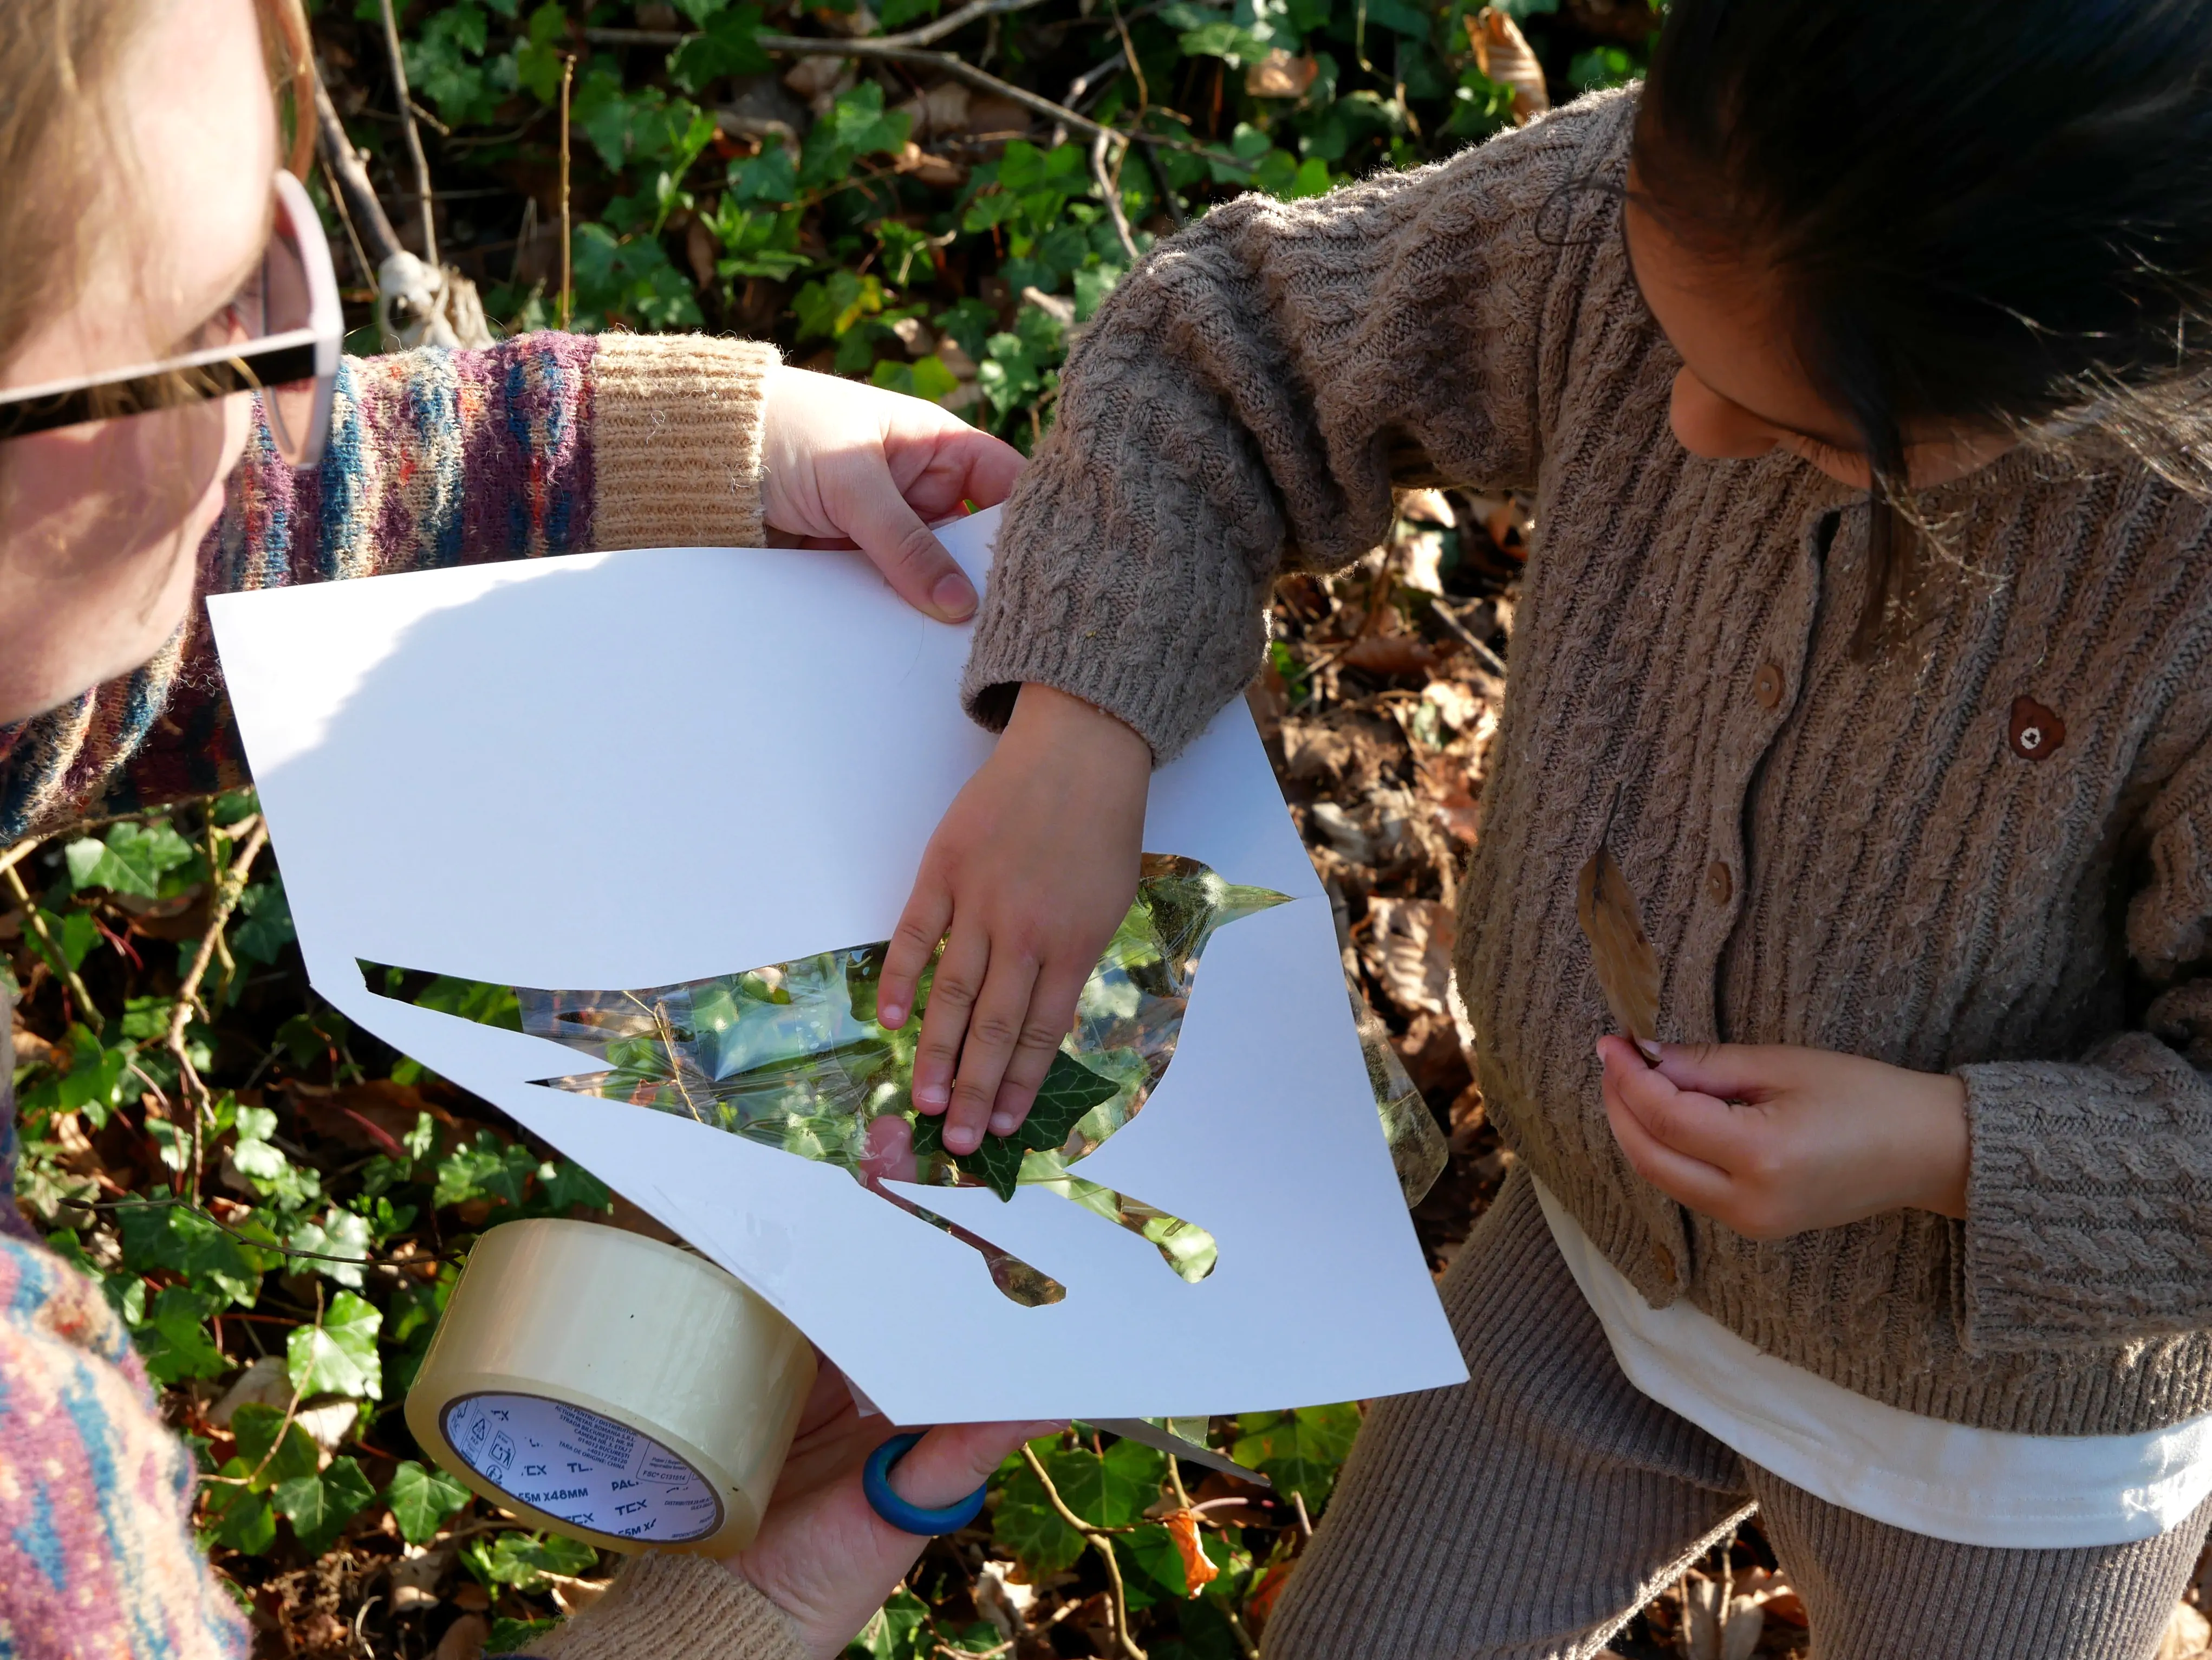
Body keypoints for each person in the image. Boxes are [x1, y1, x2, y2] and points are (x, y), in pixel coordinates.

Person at [883, 1, 2212, 1653]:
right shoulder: (1667, 198)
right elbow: (1223, 345)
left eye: (1805, 434)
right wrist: (1075, 736)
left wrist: (1937, 1149)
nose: (1687, 434)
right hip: (1579, 1266)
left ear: (2096, 372)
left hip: (1995, 1449)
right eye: (1670, 337)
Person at [0, 1, 1051, 1656]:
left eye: (289, 239)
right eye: (233, 314)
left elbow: (178, 572)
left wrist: (647, 464)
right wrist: (721, 1619)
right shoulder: (21, 1508)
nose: (316, 373)